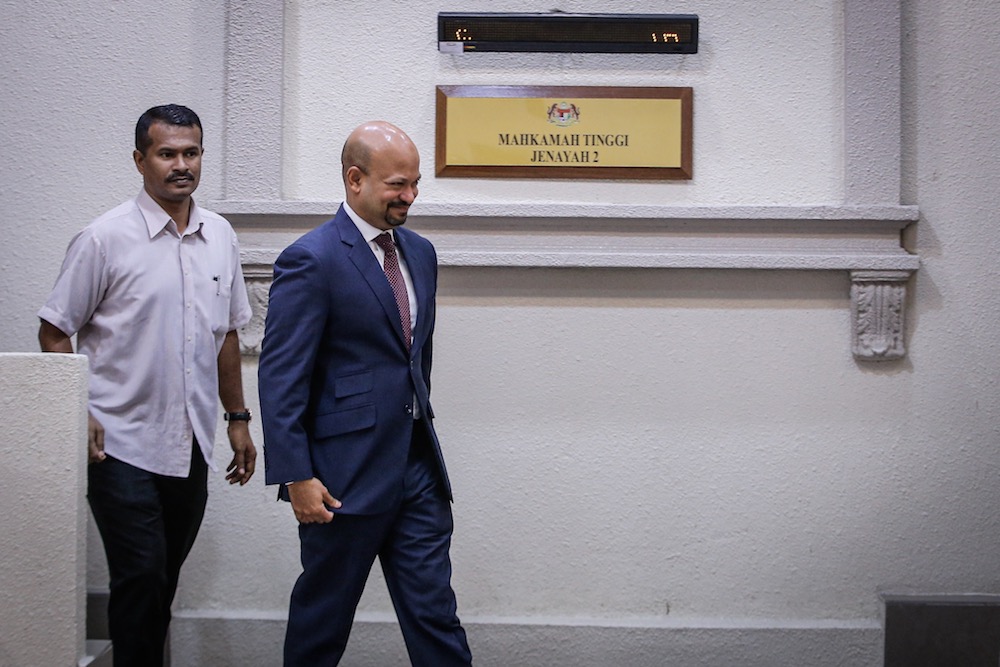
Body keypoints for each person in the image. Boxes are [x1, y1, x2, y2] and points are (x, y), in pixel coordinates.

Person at [37, 104, 257, 667]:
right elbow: (54, 331)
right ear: (140, 160)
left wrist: (237, 419)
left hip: (190, 442)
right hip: (118, 444)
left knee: (162, 580)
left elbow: (227, 334)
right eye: (167, 154)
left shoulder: (220, 236)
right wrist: (79, 411)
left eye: (192, 153)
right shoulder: (103, 238)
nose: (181, 165)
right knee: (139, 577)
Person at [258, 121, 472, 666]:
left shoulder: (420, 252)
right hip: (341, 478)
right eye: (398, 184)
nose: (411, 196)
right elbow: (281, 377)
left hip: (417, 468)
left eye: (416, 183)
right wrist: (295, 474)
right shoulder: (312, 258)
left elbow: (412, 359)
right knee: (322, 622)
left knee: (435, 615)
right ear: (355, 179)